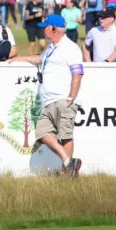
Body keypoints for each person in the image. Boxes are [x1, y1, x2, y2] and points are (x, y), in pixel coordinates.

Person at [9, 15, 84, 176]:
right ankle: (69, 162)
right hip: (48, 101)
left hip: (63, 99)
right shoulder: (51, 47)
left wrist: (71, 97)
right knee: (43, 134)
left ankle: (67, 171)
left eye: (46, 27)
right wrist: (20, 58)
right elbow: (39, 59)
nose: (42, 30)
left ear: (54, 29)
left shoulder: (70, 48)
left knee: (65, 136)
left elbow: (77, 74)